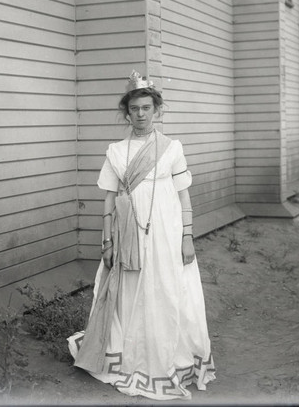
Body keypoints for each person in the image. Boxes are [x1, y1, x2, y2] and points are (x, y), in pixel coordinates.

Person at [68, 71, 215, 401]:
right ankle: (130, 358)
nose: (141, 114)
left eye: (147, 107)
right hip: (128, 235)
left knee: (168, 290)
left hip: (167, 232)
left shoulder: (171, 149)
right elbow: (108, 199)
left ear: (157, 109)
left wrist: (187, 237)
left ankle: (171, 358)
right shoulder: (117, 152)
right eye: (134, 108)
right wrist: (106, 242)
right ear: (127, 112)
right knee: (130, 294)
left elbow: (184, 196)